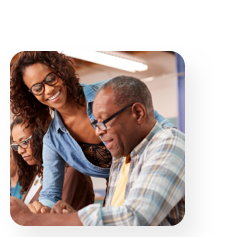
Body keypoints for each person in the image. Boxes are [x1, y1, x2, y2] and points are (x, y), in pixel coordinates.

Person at [9, 51, 175, 213]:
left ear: (60, 71)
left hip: (160, 179)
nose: (48, 90)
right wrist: (41, 208)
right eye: (38, 88)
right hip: (119, 199)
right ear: (31, 95)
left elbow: (165, 130)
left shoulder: (111, 92)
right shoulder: (53, 141)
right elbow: (50, 194)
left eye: (51, 78)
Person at [10, 115, 94, 210]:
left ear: (41, 136)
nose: (20, 151)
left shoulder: (69, 170)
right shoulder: (39, 171)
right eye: (16, 146)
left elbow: (57, 217)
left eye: (24, 142)